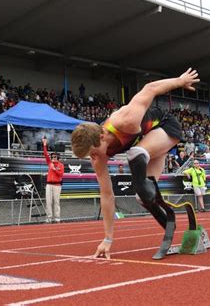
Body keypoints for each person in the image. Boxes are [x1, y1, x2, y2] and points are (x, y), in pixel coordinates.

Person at [71, 68, 199, 259]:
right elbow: (107, 196)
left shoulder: (125, 120)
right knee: (144, 198)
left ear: (102, 135)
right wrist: (108, 238)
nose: (94, 157)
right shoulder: (98, 156)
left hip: (164, 128)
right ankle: (170, 226)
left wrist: (180, 81)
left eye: (93, 152)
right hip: (148, 146)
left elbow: (150, 88)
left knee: (136, 152)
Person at [42, 137, 64, 223]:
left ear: (58, 158)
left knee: (56, 202)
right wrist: (44, 145)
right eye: (52, 157)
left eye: (55, 157)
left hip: (57, 185)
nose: (53, 158)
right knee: (48, 202)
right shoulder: (49, 163)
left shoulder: (61, 165)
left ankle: (57, 218)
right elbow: (45, 154)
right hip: (49, 185)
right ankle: (49, 218)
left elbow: (61, 174)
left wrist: (54, 169)